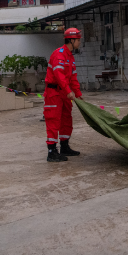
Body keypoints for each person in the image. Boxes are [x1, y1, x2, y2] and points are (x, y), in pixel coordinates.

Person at [44, 27, 84, 162]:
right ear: (71, 40)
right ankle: (52, 151)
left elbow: (73, 77)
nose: (79, 42)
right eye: (78, 40)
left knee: (66, 119)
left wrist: (78, 93)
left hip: (64, 94)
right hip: (54, 93)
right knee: (53, 120)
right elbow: (59, 76)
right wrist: (69, 91)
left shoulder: (70, 57)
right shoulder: (59, 54)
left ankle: (65, 146)